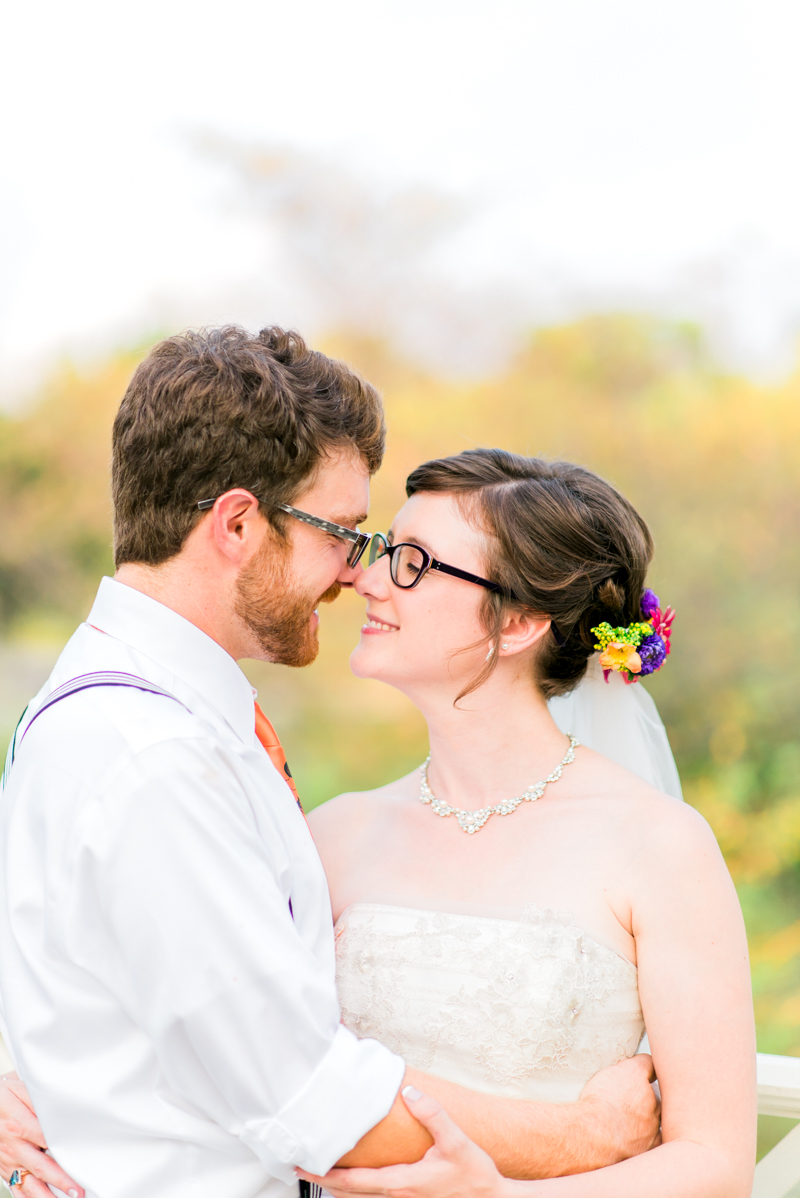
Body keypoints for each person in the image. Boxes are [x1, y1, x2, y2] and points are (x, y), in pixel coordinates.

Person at [0, 328, 659, 1198]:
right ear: (238, 524)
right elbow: (308, 1104)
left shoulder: (149, 717)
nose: (360, 574)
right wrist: (587, 1132)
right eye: (341, 531)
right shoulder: (153, 756)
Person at [294, 449, 757, 1197]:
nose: (365, 578)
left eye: (412, 562)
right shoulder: (334, 835)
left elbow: (715, 1160)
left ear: (519, 623)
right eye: (382, 549)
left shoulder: (659, 846)